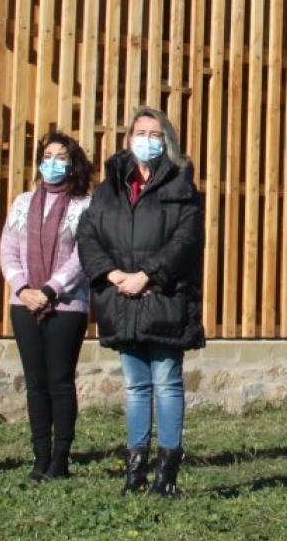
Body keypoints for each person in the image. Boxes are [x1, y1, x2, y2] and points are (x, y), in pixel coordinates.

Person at [77, 107, 206, 496]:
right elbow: (88, 236)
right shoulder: (109, 187)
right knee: (135, 387)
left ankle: (166, 474)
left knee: (166, 382)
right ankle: (135, 470)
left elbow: (185, 241)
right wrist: (114, 276)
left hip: (164, 297)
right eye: (139, 132)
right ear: (128, 138)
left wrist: (147, 275)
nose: (146, 139)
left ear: (166, 140)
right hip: (121, 299)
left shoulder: (181, 185)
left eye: (154, 133)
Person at [0, 130, 94, 482]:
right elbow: (7, 247)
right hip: (23, 302)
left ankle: (61, 458)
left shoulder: (85, 205)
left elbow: (84, 255)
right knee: (35, 382)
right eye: (48, 156)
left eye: (61, 158)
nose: (52, 163)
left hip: (67, 305)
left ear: (73, 165)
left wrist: (51, 289)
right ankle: (40, 456)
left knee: (60, 381)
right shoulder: (22, 202)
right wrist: (22, 288)